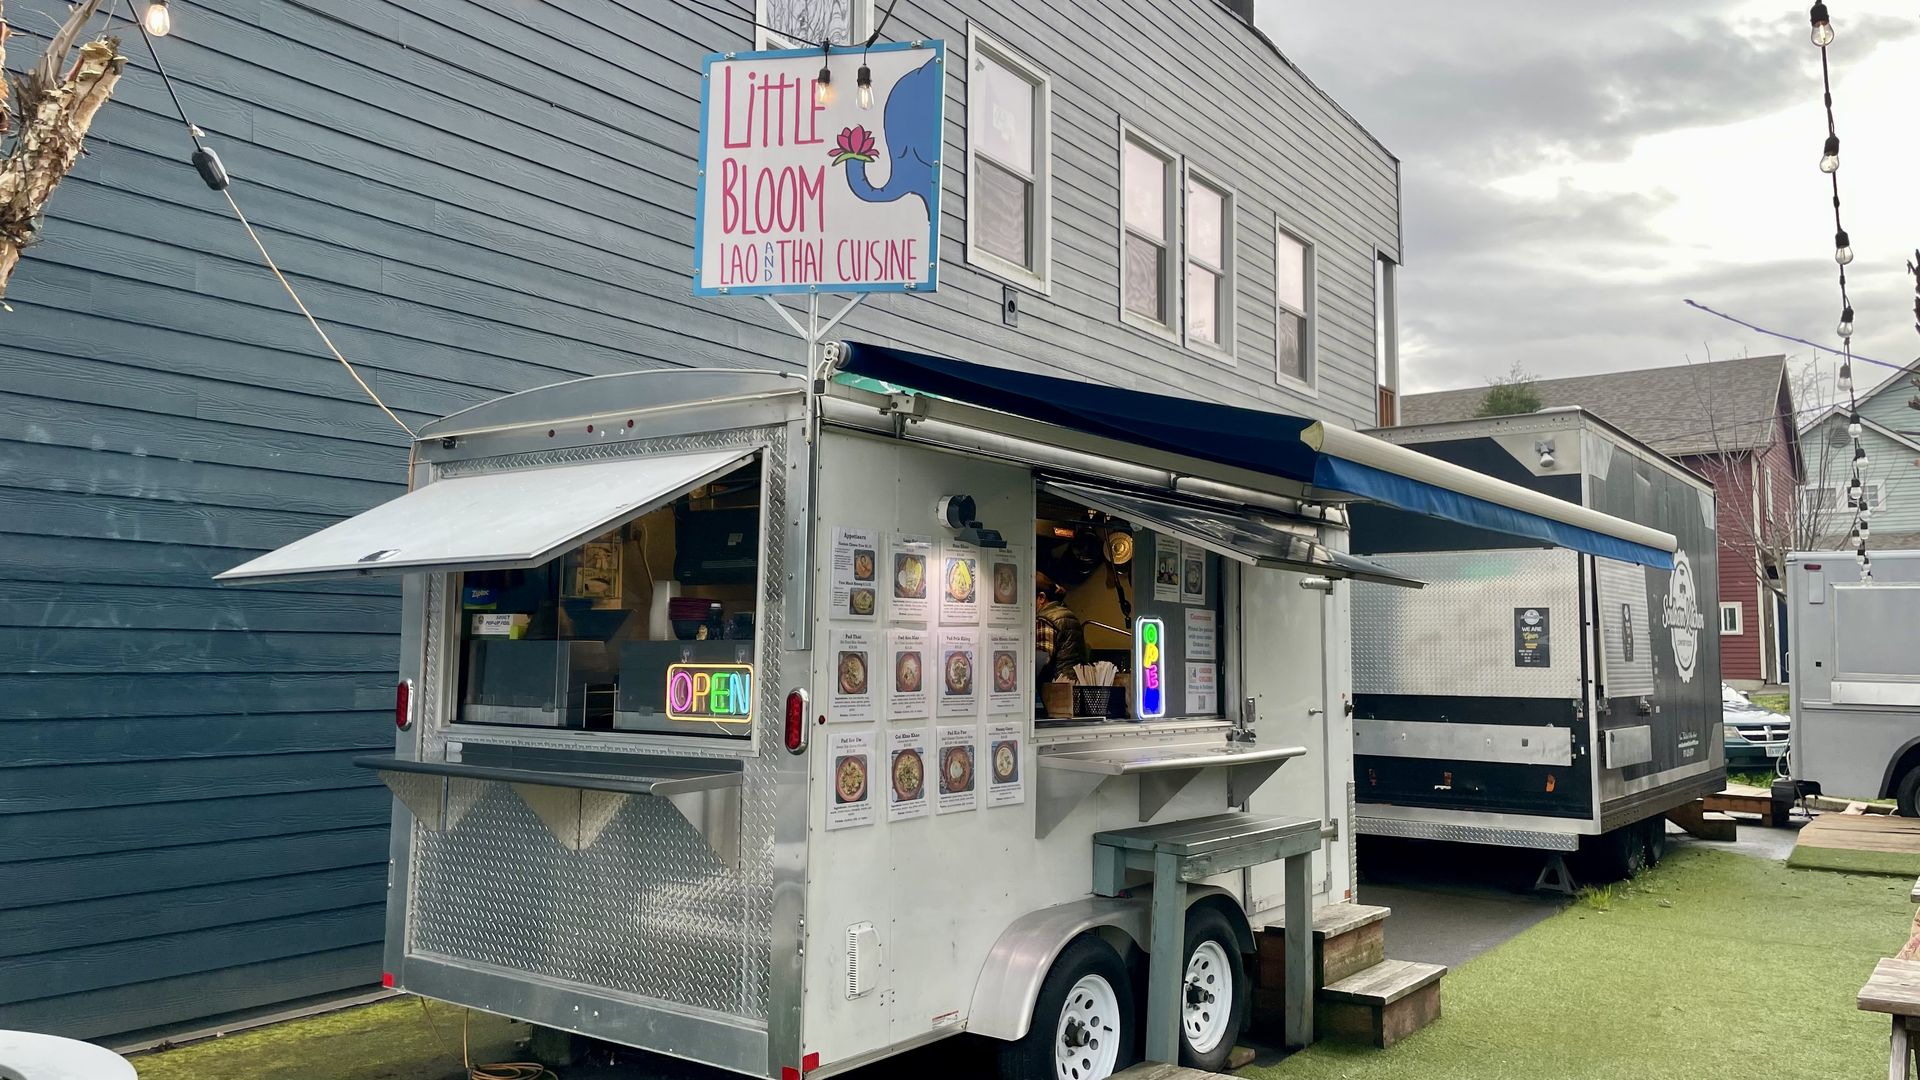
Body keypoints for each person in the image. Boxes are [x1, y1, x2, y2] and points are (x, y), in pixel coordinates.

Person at [1034, 573, 1089, 684]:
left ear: (1041, 598)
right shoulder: (1068, 614)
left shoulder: (1045, 619)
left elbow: (1040, 662)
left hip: (1056, 689)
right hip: (1074, 684)